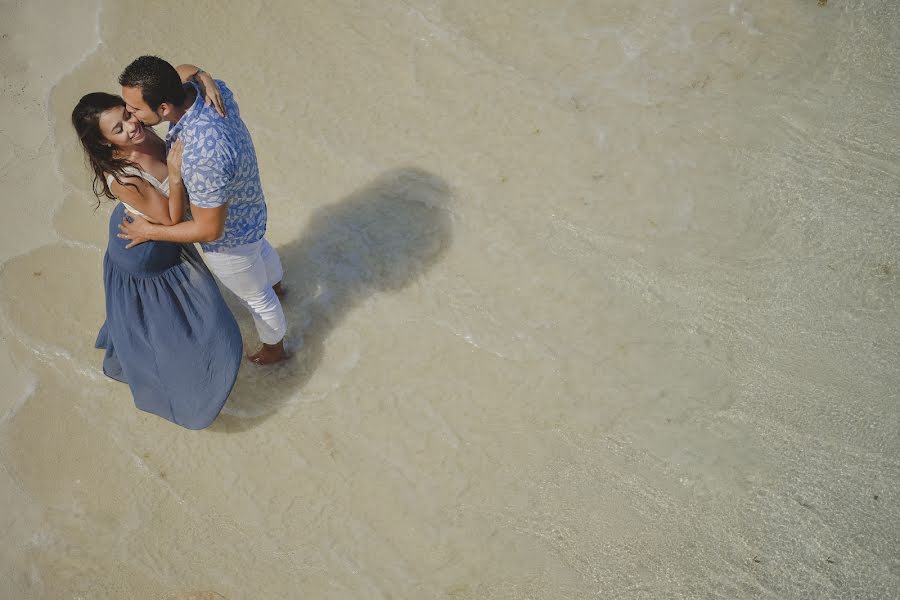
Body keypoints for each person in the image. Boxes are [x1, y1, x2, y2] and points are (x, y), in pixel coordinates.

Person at [71, 74, 243, 430]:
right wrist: (176, 176)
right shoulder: (125, 179)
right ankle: (188, 392)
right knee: (190, 326)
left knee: (159, 323)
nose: (133, 126)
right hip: (146, 251)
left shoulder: (140, 128)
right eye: (118, 129)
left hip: (151, 230)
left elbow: (174, 71)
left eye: (128, 114)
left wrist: (202, 77)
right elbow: (171, 218)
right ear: (105, 144)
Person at [117, 56, 289, 365]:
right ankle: (280, 288)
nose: (130, 115)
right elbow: (183, 70)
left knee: (257, 298)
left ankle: (276, 351)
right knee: (261, 251)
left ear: (165, 109)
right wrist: (203, 73)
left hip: (230, 241)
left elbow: (210, 230)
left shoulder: (200, 156)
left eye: (135, 109)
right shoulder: (211, 91)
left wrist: (149, 231)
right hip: (250, 206)